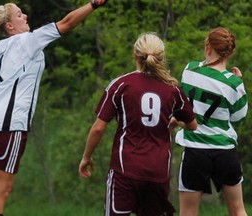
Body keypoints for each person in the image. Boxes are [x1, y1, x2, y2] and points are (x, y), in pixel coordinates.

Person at [0, 1, 107, 216]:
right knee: (1, 190)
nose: (25, 18)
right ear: (10, 26)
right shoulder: (29, 41)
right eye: (20, 15)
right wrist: (93, 5)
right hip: (8, 126)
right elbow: (67, 23)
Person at [79, 32, 197, 216]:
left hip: (125, 170)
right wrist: (174, 121)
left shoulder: (121, 85)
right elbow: (192, 125)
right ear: (161, 57)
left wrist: (86, 156)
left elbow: (98, 128)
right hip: (158, 173)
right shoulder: (173, 89)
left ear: (135, 55)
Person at [175, 27, 248, 216]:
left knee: (188, 213)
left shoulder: (189, 69)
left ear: (208, 47)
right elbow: (238, 119)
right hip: (225, 151)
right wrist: (235, 81)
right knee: (238, 210)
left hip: (195, 150)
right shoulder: (234, 83)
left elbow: (184, 108)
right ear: (230, 52)